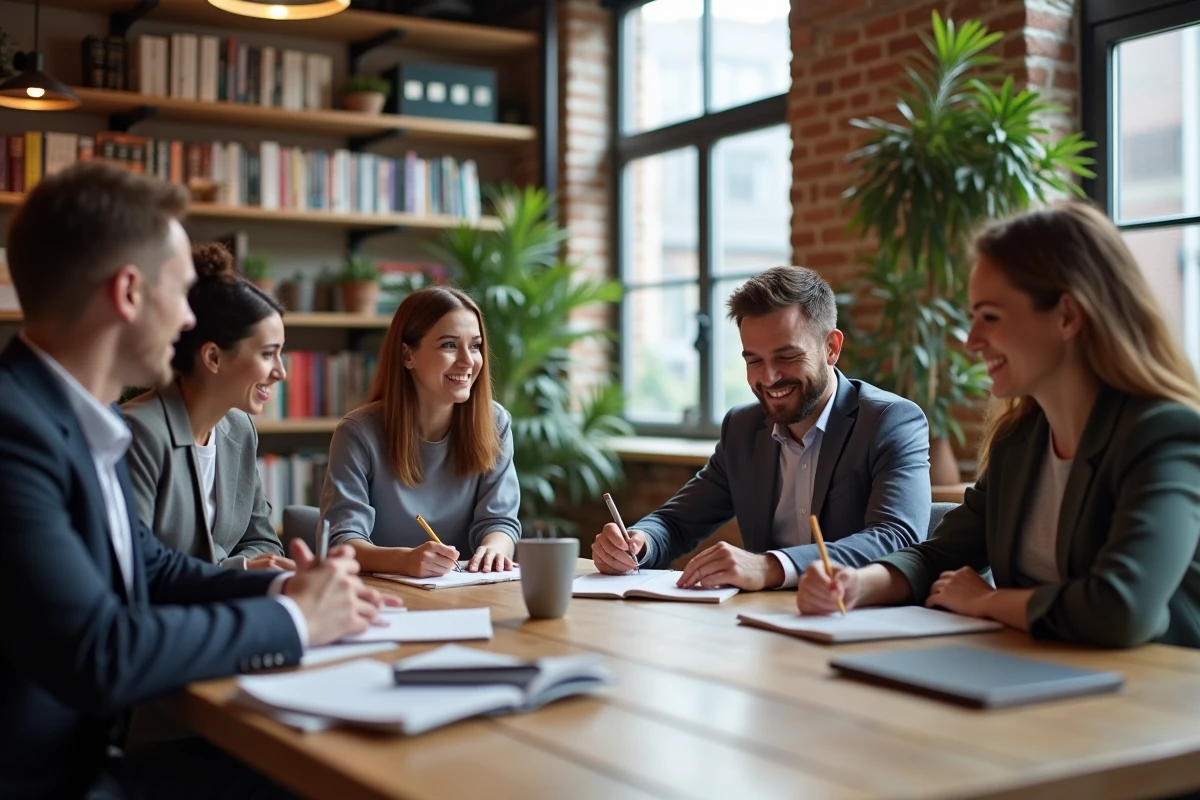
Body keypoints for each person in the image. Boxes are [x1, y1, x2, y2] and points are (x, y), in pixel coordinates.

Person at [0, 161, 398, 799]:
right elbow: (100, 650)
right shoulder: (14, 431)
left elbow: (151, 567)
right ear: (129, 292)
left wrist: (283, 587)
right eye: (181, 293)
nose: (190, 321)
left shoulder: (78, 418)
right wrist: (294, 621)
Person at [797, 202, 1200, 649]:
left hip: (1153, 685)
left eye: (989, 316)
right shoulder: (1020, 441)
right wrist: (858, 583)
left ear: (1067, 316)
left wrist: (988, 601)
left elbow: (1120, 609)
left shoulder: (1164, 434)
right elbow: (943, 554)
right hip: (1038, 671)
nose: (972, 341)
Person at [592, 265, 931, 591]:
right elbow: (676, 522)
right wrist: (639, 543)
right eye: (753, 360)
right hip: (763, 621)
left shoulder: (890, 421)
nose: (768, 378)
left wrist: (771, 566)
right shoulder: (742, 429)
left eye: (786, 356)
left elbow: (896, 538)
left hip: (856, 618)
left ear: (831, 348)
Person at [319, 285, 520, 577]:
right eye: (449, 345)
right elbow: (343, 541)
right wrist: (404, 561)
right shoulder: (358, 433)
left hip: (467, 591)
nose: (468, 360)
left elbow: (500, 522)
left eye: (475, 346)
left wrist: (494, 550)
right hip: (380, 595)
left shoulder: (495, 422)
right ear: (407, 355)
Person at [121, 242, 293, 570]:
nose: (280, 372)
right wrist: (237, 570)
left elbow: (266, 543)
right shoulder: (138, 433)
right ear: (213, 357)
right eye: (268, 354)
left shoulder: (240, 429)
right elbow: (137, 566)